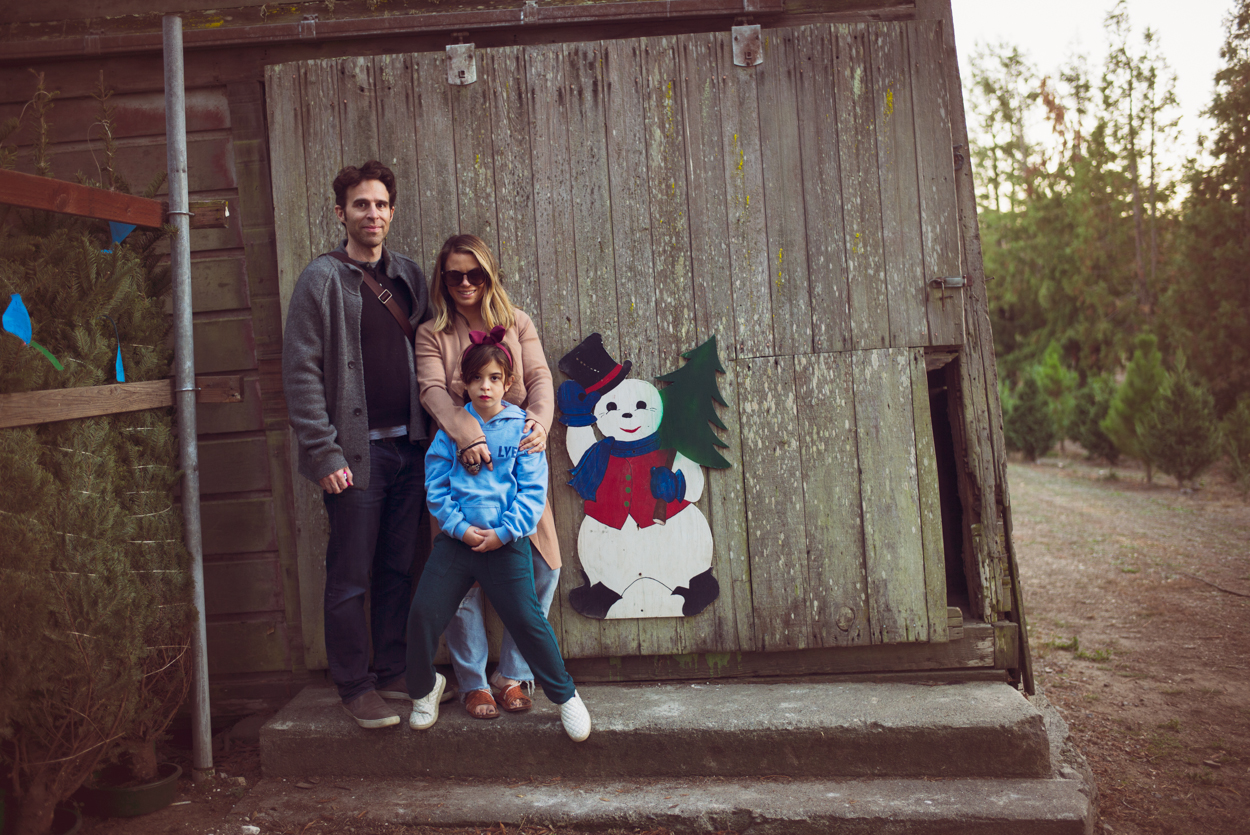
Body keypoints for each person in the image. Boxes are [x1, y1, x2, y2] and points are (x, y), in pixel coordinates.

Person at [282, 160, 437, 729]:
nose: (372, 214)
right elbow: (300, 372)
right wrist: (324, 453)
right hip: (354, 457)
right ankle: (354, 685)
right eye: (361, 205)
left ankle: (393, 669)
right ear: (341, 212)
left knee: (399, 567)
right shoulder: (320, 279)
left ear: (392, 213)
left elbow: (431, 347)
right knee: (351, 575)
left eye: (381, 205)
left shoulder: (409, 275)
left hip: (411, 450)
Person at [405, 338, 590, 741]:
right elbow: (436, 488)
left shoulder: (523, 428)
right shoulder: (451, 430)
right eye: (476, 379)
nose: (485, 386)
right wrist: (459, 528)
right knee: (422, 614)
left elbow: (532, 494)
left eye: (493, 378)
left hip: (506, 544)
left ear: (507, 383)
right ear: (464, 383)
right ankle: (424, 689)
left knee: (528, 621)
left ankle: (566, 696)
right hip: (457, 544)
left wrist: (504, 532)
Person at [414, 234, 560, 720]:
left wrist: (539, 424)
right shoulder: (431, 332)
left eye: (474, 273)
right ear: (442, 279)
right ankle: (473, 681)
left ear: (489, 275)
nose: (464, 283)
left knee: (544, 566)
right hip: (458, 466)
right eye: (454, 275)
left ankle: (513, 673)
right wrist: (466, 434)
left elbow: (539, 379)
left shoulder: (517, 321)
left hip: (517, 458)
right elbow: (433, 391)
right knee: (464, 581)